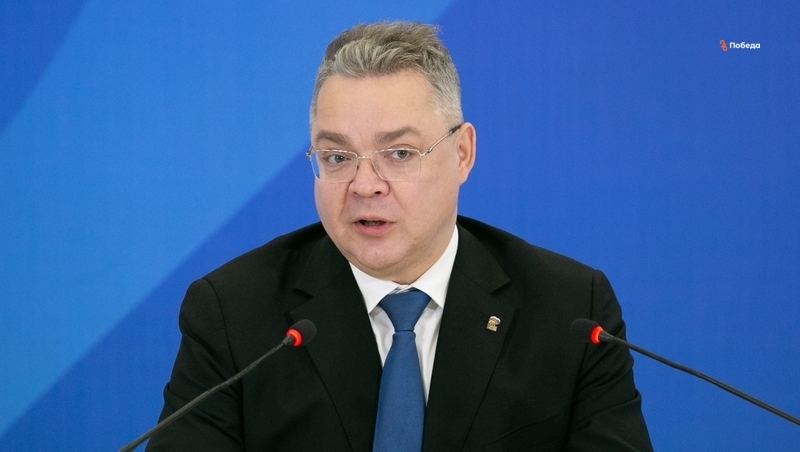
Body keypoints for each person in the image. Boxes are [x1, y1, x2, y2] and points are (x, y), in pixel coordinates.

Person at [147, 21, 653, 451]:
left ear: (462, 154)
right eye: (337, 157)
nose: (365, 185)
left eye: (400, 154)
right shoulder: (234, 314)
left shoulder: (571, 311)